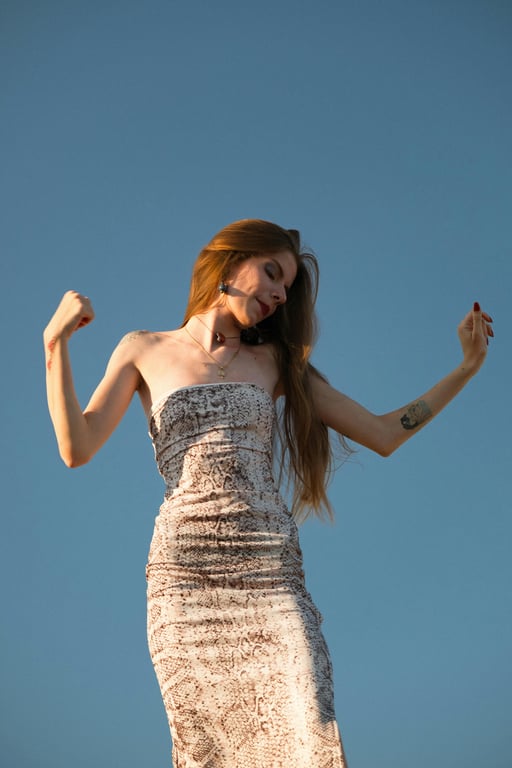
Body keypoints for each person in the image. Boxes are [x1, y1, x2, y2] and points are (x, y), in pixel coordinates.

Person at [44, 219, 493, 767]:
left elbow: (382, 433)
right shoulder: (143, 349)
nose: (281, 294)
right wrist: (56, 342)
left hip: (271, 579)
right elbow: (77, 446)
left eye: (288, 288)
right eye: (273, 274)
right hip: (184, 582)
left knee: (309, 731)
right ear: (231, 262)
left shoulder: (276, 364)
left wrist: (466, 369)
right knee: (210, 751)